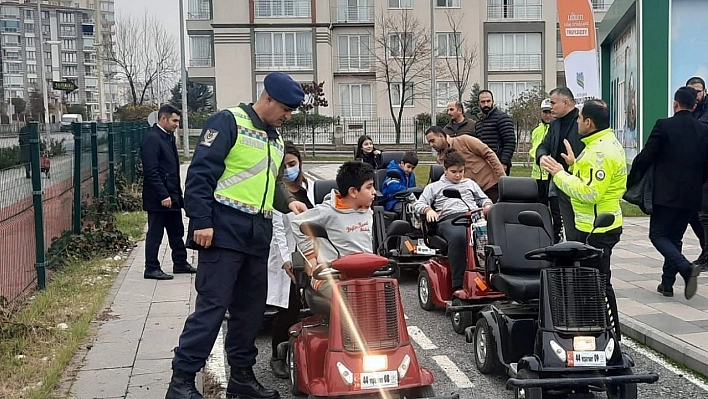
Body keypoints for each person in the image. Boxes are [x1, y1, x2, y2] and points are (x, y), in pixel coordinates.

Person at [166, 72, 308, 399]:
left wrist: (290, 202)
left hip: (258, 234)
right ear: (268, 98)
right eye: (285, 109)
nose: (287, 116)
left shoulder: (275, 139)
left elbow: (270, 184)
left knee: (250, 311)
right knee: (213, 308)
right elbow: (201, 174)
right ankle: (182, 382)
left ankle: (242, 379)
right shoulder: (228, 121)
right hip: (224, 230)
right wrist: (201, 221)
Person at [540, 99, 626, 338]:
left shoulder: (600, 152)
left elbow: (590, 192)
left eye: (579, 118)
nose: (577, 122)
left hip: (598, 229)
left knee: (597, 285)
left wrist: (559, 174)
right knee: (592, 282)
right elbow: (594, 181)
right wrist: (574, 165)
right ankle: (597, 330)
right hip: (595, 226)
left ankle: (607, 335)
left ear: (589, 122)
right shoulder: (601, 142)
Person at [627, 86, 708, 300]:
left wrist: (633, 177)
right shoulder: (704, 131)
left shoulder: (664, 126)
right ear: (695, 105)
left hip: (665, 193)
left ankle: (685, 268)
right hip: (691, 195)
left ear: (675, 103)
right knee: (675, 238)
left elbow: (646, 156)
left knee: (658, 235)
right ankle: (667, 284)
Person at [291, 161, 376, 299]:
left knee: (387, 295)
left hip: (361, 274)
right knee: (352, 300)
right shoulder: (327, 211)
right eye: (369, 187)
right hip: (330, 276)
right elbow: (296, 223)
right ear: (353, 192)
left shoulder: (367, 210)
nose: (374, 192)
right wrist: (310, 257)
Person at [267, 142, 314, 379]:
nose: (289, 170)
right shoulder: (279, 194)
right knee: (288, 307)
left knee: (317, 301)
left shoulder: (310, 187)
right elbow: (278, 231)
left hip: (312, 255)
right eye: (284, 166)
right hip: (288, 257)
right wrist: (287, 261)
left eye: (292, 164)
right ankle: (278, 355)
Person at [414, 148, 492, 291]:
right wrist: (428, 210)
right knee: (460, 237)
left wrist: (487, 206)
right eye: (454, 172)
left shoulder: (470, 184)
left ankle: (495, 277)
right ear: (445, 169)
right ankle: (459, 283)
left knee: (494, 234)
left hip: (473, 218)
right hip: (449, 220)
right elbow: (418, 203)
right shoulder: (434, 187)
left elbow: (484, 199)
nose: (458, 175)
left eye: (461, 171)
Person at [140, 104, 195, 280]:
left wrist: (177, 195)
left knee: (176, 230)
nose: (177, 124)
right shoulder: (152, 139)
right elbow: (151, 171)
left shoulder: (167, 138)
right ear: (163, 119)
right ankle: (151, 267)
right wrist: (163, 194)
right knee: (155, 233)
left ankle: (180, 262)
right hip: (159, 198)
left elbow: (171, 170)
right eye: (174, 120)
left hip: (172, 196)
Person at [536, 87, 584, 242]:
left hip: (580, 182)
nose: (550, 107)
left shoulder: (582, 121)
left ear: (566, 102)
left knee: (581, 226)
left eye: (553, 103)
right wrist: (542, 156)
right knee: (564, 222)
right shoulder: (555, 124)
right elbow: (544, 145)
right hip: (559, 181)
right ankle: (567, 252)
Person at [425, 125, 505, 202]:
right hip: (469, 194)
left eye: (432, 141)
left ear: (441, 136)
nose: (431, 145)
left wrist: (503, 180)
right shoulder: (440, 158)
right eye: (429, 142)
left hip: (490, 186)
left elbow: (489, 154)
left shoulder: (464, 140)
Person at [530, 98, 562, 243]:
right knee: (540, 207)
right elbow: (534, 148)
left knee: (556, 208)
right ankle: (541, 234)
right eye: (545, 112)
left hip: (553, 175)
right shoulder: (536, 130)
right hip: (538, 175)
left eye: (550, 112)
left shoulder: (556, 128)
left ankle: (556, 235)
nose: (548, 115)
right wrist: (537, 155)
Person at [686, 76, 708, 268]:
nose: (695, 95)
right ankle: (705, 251)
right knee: (694, 214)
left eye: (698, 91)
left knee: (704, 215)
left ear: (705, 91)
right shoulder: (689, 110)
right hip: (694, 171)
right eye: (691, 91)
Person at [474, 90, 516, 174]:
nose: (486, 104)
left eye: (488, 101)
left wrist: (503, 162)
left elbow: (510, 142)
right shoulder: (478, 122)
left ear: (493, 101)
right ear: (479, 103)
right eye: (483, 102)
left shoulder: (502, 118)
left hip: (498, 163)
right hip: (483, 165)